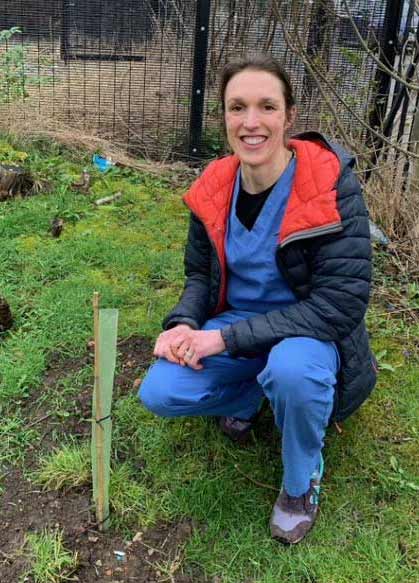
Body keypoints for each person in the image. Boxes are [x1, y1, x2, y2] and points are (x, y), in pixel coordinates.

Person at [138, 54, 376, 545]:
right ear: (223, 116)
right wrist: (185, 322)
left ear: (288, 116)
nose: (251, 123)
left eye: (267, 107)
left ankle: (299, 484)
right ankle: (255, 394)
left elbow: (339, 305)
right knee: (160, 392)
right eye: (237, 107)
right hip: (239, 323)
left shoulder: (330, 185)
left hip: (307, 332)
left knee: (293, 370)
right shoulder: (214, 186)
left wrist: (221, 340)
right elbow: (200, 274)